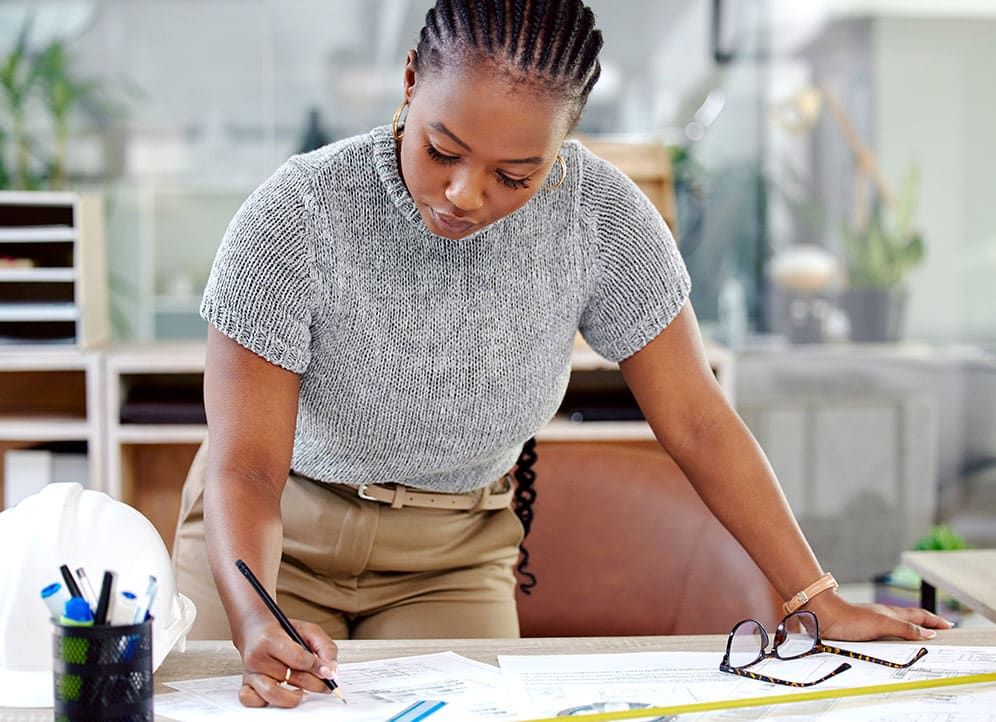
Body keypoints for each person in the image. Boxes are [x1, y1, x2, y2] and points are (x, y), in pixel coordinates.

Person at [171, 0, 950, 709]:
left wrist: (812, 593)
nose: (465, 194)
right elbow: (247, 468)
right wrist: (254, 620)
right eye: (443, 151)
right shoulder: (295, 214)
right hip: (276, 537)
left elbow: (700, 422)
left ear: (563, 146)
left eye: (517, 174)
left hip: (448, 557)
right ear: (410, 83)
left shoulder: (600, 219)